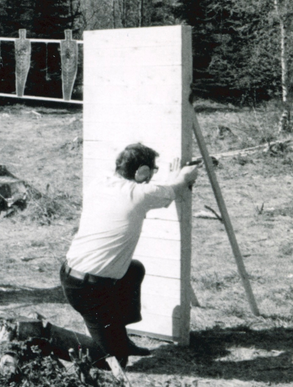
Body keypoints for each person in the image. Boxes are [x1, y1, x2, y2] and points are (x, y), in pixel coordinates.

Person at [61, 143, 199, 368]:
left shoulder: (101, 182)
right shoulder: (139, 194)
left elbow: (152, 191)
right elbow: (174, 188)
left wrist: (169, 179)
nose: (152, 175)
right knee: (112, 362)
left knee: (133, 270)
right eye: (151, 170)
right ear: (142, 172)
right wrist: (183, 176)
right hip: (89, 292)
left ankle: (120, 337)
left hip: (75, 278)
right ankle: (46, 340)